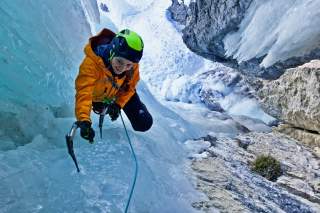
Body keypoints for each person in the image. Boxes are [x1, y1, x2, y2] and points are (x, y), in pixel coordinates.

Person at [75, 28, 153, 142]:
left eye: (128, 65)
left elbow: (130, 87)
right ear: (112, 51)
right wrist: (84, 120)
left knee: (144, 123)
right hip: (98, 96)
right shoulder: (92, 64)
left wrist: (118, 104)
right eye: (119, 61)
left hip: (118, 92)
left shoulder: (132, 65)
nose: (122, 68)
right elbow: (84, 92)